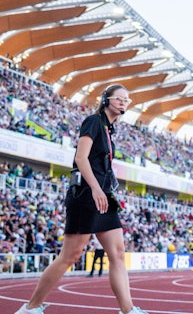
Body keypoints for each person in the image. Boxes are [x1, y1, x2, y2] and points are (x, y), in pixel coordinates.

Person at [15, 84, 148, 314]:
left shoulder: (109, 129)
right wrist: (96, 189)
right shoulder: (94, 121)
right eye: (119, 98)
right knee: (70, 255)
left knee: (117, 253)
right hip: (87, 195)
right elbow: (81, 157)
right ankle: (31, 307)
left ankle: (128, 310)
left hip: (105, 197)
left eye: (127, 100)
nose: (124, 103)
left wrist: (105, 191)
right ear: (106, 99)